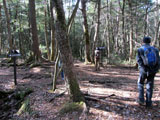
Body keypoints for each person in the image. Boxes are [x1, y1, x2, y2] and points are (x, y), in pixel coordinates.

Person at [136, 36, 159, 108]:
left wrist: (142, 69)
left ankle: (141, 99)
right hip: (153, 70)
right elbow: (158, 61)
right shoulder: (155, 50)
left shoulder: (140, 49)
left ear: (143, 41)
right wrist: (155, 69)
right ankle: (149, 102)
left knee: (140, 83)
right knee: (150, 85)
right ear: (150, 42)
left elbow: (139, 61)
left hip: (144, 70)